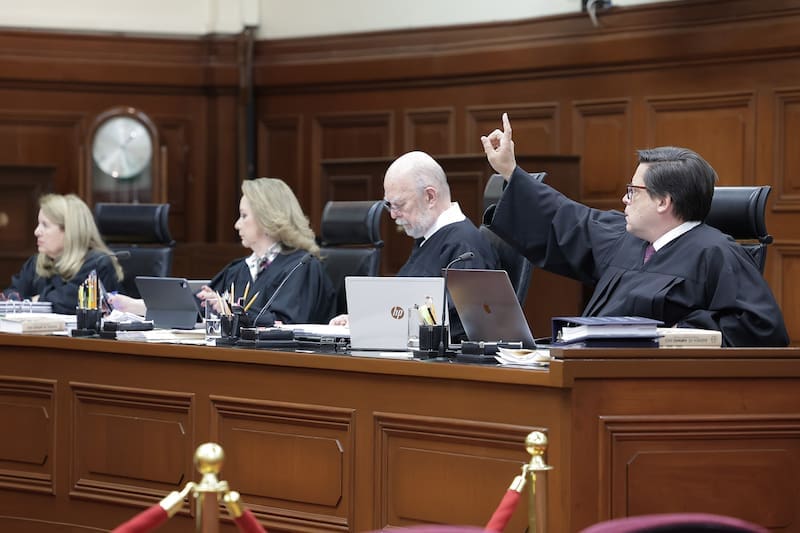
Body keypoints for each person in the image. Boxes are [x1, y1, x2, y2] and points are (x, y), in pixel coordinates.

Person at [480, 113, 789, 347]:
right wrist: (511, 171)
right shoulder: (626, 238)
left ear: (663, 201)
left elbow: (760, 328)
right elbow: (566, 218)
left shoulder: (717, 254)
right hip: (586, 372)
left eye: (634, 191)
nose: (624, 199)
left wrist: (674, 335)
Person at [110, 178, 336, 326]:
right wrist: (130, 305)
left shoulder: (302, 267)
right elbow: (195, 308)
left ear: (269, 218)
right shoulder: (240, 269)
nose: (237, 225)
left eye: (244, 216)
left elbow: (284, 324)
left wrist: (229, 310)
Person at [330, 151, 499, 341]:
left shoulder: (464, 247)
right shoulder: (429, 239)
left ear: (430, 197)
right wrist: (362, 320)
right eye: (389, 206)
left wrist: (375, 325)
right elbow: (403, 306)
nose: (393, 215)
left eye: (399, 205)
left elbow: (459, 326)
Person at [3, 193, 124, 314]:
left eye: (45, 225)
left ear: (69, 230)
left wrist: (36, 299)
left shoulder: (98, 262)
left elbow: (69, 302)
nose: (36, 232)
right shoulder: (37, 262)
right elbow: (10, 296)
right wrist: (25, 301)